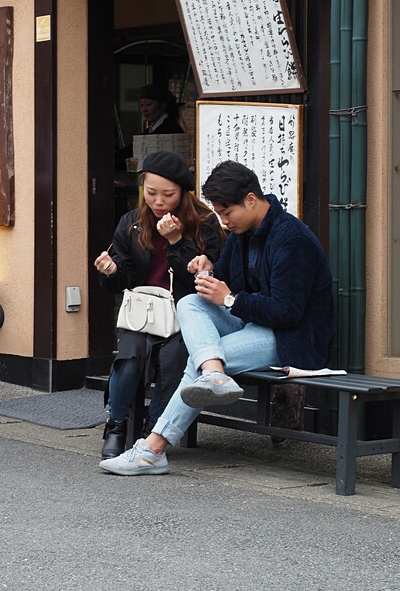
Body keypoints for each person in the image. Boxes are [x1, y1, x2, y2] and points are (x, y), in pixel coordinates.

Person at [99, 159, 335, 476]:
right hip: (250, 322)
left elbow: (287, 312)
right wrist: (207, 274)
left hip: (291, 338)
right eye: (220, 213)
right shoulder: (241, 233)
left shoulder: (292, 240)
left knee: (194, 360)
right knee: (191, 303)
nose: (223, 221)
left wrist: (228, 297)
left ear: (251, 199)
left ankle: (152, 449)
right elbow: (226, 284)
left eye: (227, 212)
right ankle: (214, 372)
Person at [94, 151, 225, 460]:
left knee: (173, 357)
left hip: (187, 313)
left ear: (183, 193)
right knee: (130, 354)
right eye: (150, 193)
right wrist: (111, 272)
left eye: (168, 194)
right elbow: (123, 279)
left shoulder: (205, 222)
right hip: (142, 310)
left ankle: (153, 432)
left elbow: (203, 276)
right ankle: (116, 424)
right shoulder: (132, 222)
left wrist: (178, 241)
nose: (158, 201)